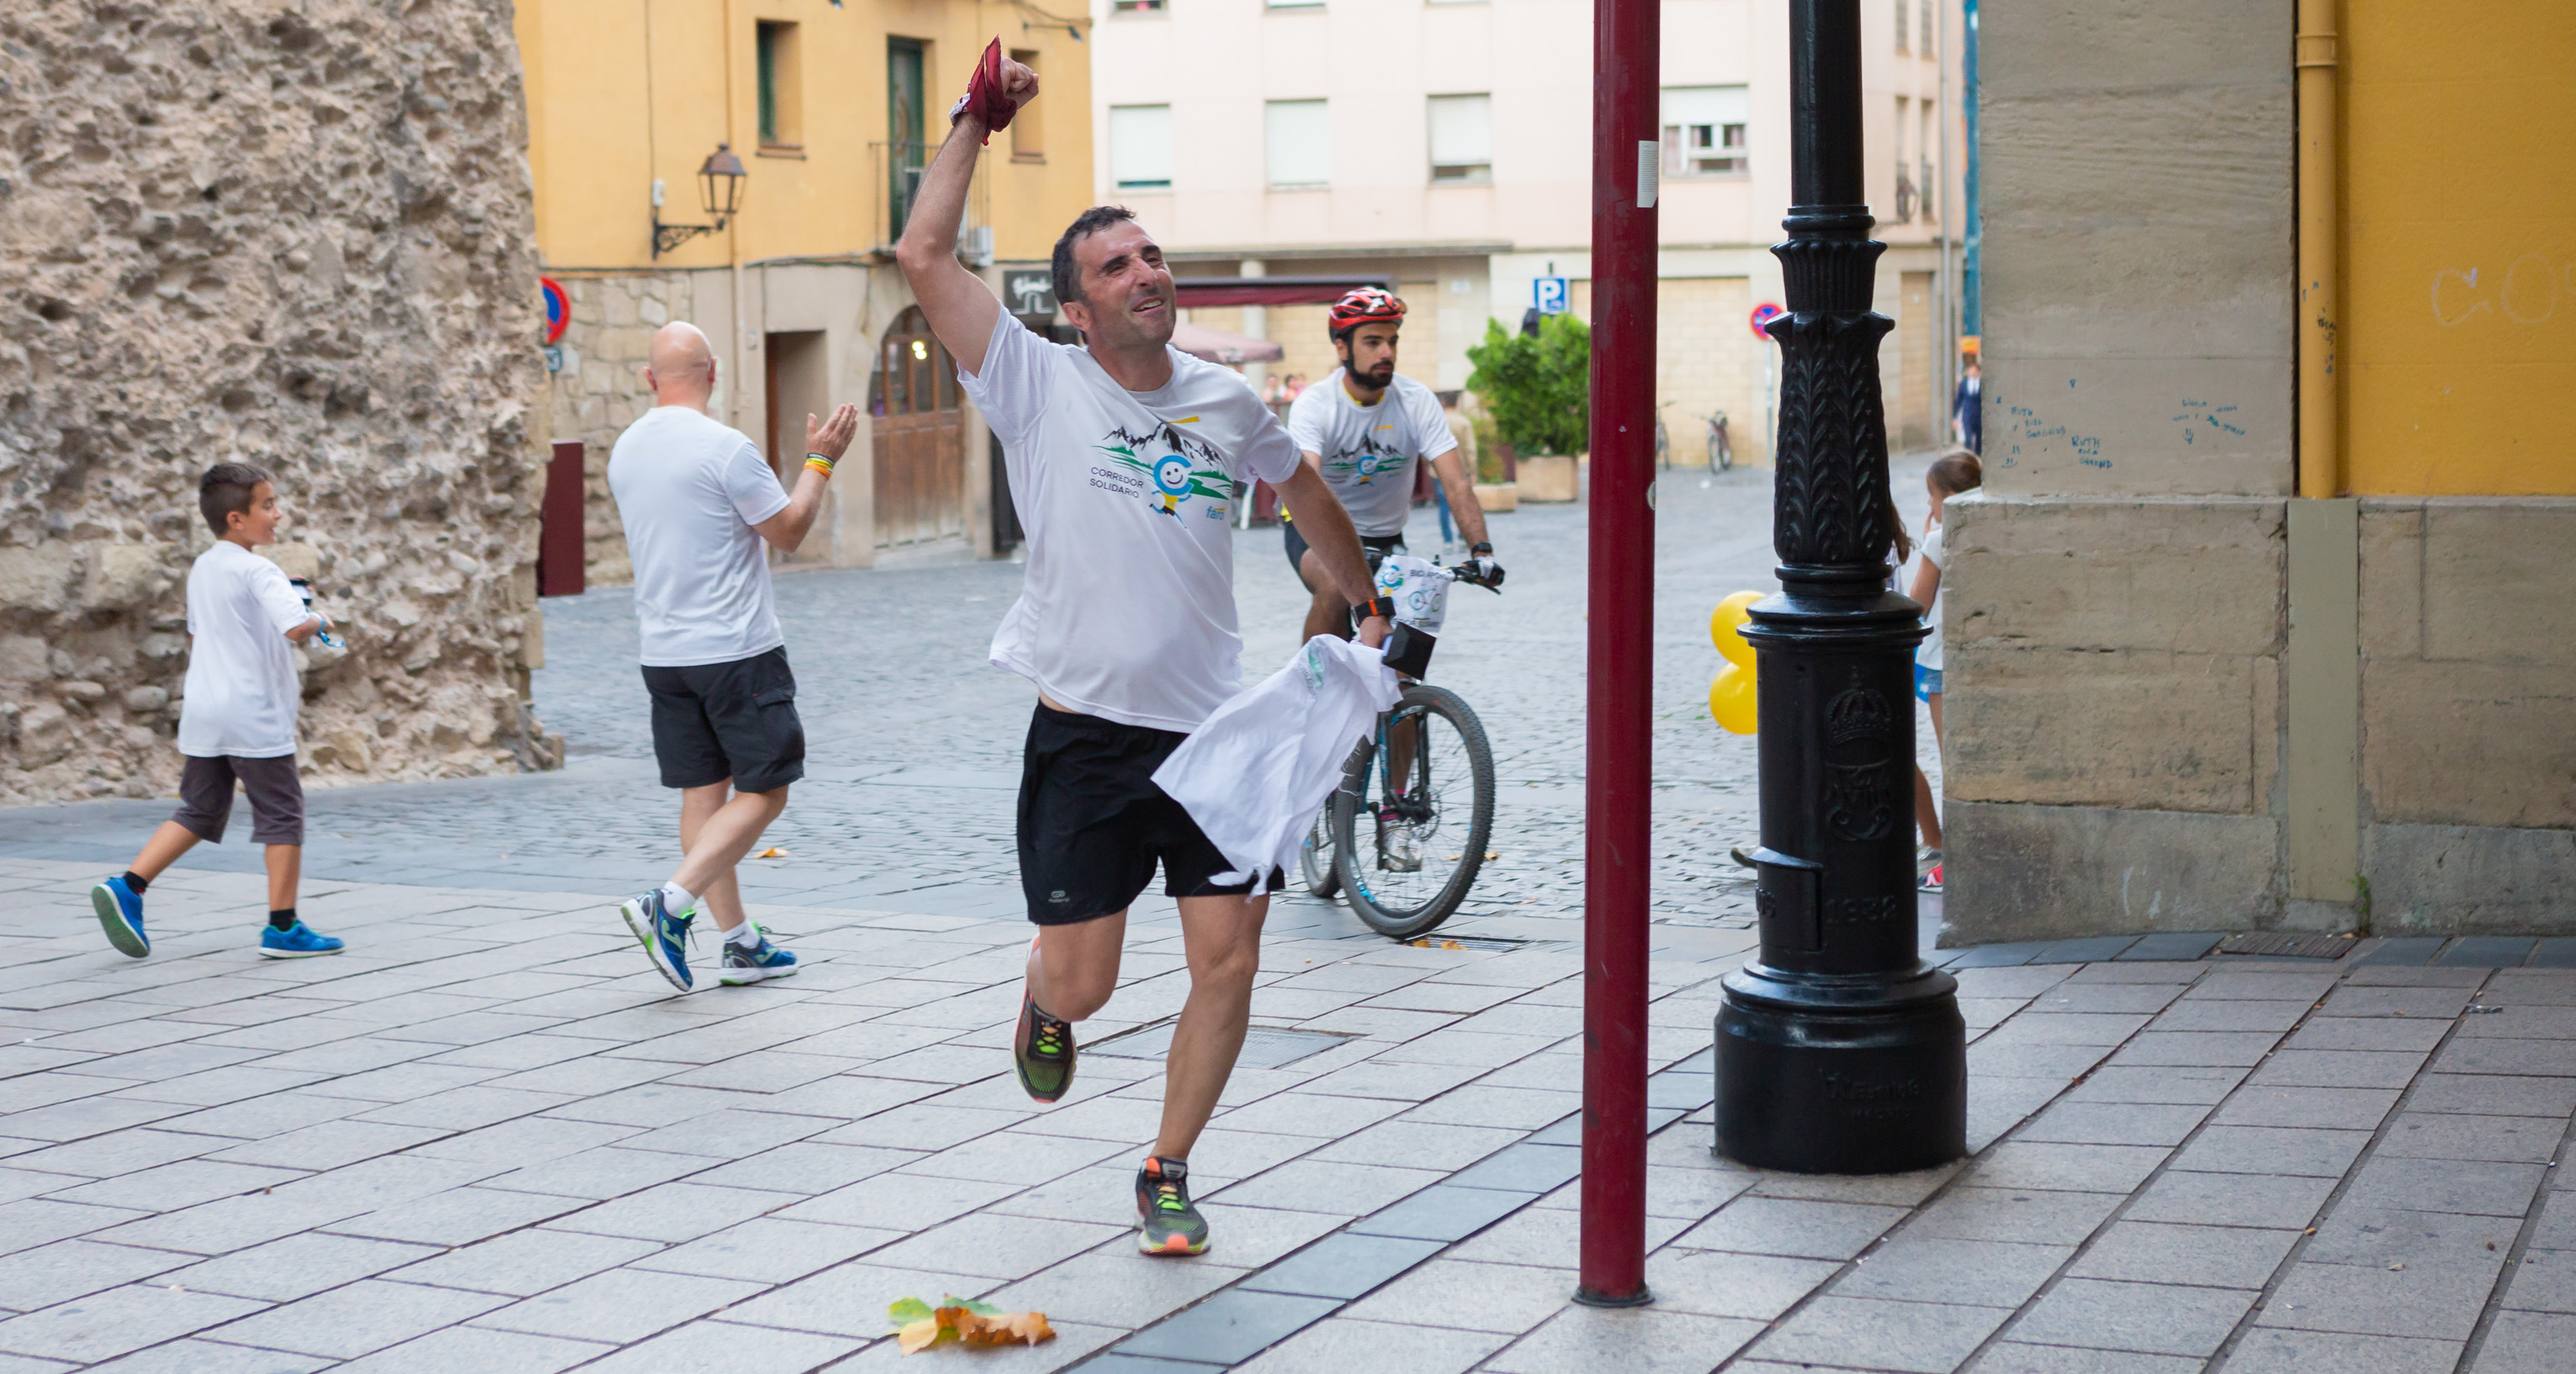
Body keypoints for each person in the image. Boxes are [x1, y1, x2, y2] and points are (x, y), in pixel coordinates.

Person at [896, 50, 1391, 1259]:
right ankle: (1041, 999)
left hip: (1214, 734)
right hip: (1086, 735)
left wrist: (1363, 598)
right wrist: (970, 122)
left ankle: (1165, 1168)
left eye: (1151, 254)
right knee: (1087, 987)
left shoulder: (1224, 401)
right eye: (1115, 266)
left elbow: (1302, 485)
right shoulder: (1032, 379)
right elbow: (923, 258)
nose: (1145, 274)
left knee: (1227, 958)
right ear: (1077, 306)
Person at [607, 321, 859, 993]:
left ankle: (740, 943)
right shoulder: (726, 449)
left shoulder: (624, 450)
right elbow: (790, 531)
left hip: (663, 651)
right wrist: (821, 460)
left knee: (703, 792)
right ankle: (671, 903)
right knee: (765, 789)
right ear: (714, 373)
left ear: (649, 379)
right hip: (734, 650)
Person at [90, 464, 345, 961]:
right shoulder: (261, 570)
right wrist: (320, 619)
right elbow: (295, 627)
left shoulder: (204, 567)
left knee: (199, 809)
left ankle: (129, 887)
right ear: (236, 518)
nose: (278, 514)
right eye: (267, 505)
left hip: (206, 709)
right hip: (253, 713)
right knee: (283, 814)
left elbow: (199, 633)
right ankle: (283, 926)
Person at [1283, 288, 1501, 643]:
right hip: (1317, 530)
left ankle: (1400, 697)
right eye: (1372, 342)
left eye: (1392, 341)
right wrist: (1342, 550)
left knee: (1408, 618)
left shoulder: (1416, 400)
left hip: (1384, 536)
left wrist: (1482, 550)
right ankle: (1312, 686)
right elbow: (1306, 487)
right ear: (1342, 348)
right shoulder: (1316, 405)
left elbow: (1456, 483)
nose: (1386, 352)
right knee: (1338, 586)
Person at [1911, 448, 1983, 893]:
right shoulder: (1991, 531)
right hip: (1977, 660)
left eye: (1933, 498)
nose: (1930, 508)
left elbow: (1917, 604)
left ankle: (1950, 861)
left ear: (1951, 499)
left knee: (1950, 764)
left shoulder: (1940, 541)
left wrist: (1927, 541)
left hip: (1942, 663)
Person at [1951, 356, 1983, 453]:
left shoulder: (1983, 384)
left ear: (1978, 372)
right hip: (1967, 415)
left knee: (1979, 441)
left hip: (1980, 416)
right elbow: (1958, 401)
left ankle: (1977, 458)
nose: (1972, 373)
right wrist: (1955, 417)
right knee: (1968, 439)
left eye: (1974, 371)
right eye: (1970, 371)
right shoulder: (1963, 384)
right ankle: (1968, 457)